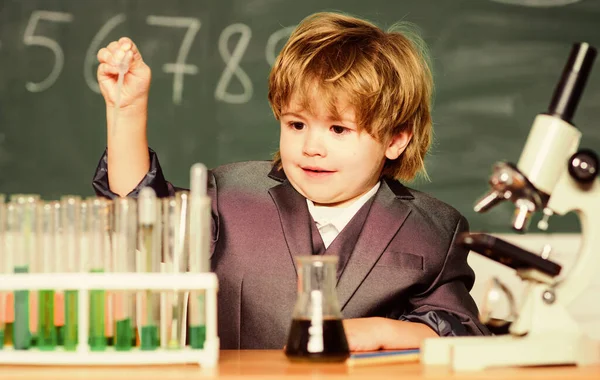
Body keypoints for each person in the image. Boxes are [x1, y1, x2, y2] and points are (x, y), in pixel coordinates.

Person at [92, 11, 489, 350]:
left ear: (395, 140)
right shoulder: (229, 194)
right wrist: (126, 111)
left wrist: (383, 331)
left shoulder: (434, 229)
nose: (312, 147)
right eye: (296, 123)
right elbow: (139, 212)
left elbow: (462, 334)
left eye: (338, 130)